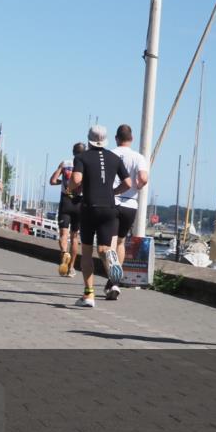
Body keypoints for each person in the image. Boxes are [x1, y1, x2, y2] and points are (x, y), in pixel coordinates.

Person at [68, 126, 130, 307]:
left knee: (87, 252)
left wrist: (71, 187)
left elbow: (76, 179)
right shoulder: (115, 158)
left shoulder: (81, 157)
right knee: (104, 248)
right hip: (110, 209)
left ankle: (88, 295)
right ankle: (112, 262)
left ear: (89, 140)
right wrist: (114, 191)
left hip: (89, 208)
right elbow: (128, 183)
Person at [109, 124, 150, 300]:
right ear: (131, 139)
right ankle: (115, 282)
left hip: (111, 201)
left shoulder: (110, 154)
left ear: (116, 138)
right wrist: (137, 186)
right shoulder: (139, 157)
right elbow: (143, 178)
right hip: (130, 204)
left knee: (108, 243)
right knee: (120, 242)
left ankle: (112, 278)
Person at [49, 143, 85, 277]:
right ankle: (71, 269)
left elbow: (52, 181)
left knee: (64, 234)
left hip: (66, 201)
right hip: (79, 203)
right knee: (75, 237)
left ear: (73, 152)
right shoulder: (86, 165)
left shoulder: (65, 163)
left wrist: (62, 181)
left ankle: (64, 253)